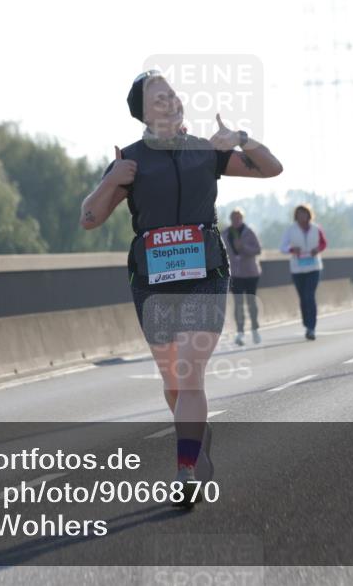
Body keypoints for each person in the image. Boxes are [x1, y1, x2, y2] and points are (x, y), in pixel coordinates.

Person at [79, 69, 282, 501]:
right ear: (143, 114)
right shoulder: (130, 160)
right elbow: (90, 219)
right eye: (159, 98)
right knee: (173, 382)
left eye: (172, 94)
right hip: (152, 281)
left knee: (189, 376)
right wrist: (112, 180)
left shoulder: (206, 152)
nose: (170, 101)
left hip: (206, 274)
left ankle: (185, 470)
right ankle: (197, 436)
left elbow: (271, 168)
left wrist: (241, 138)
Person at [280, 205, 327, 340]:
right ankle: (307, 324)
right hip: (297, 268)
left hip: (314, 267)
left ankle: (311, 327)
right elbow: (282, 247)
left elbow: (324, 243)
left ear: (309, 215)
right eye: (299, 214)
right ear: (296, 216)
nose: (302, 216)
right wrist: (292, 250)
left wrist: (317, 249)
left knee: (309, 295)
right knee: (303, 297)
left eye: (304, 214)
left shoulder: (316, 228)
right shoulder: (291, 230)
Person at [224, 208, 262, 346]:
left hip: (251, 273)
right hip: (235, 274)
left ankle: (255, 329)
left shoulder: (249, 232)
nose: (236, 220)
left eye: (238, 218)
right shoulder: (225, 233)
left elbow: (258, 249)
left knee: (251, 302)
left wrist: (244, 247)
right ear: (230, 219)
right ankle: (240, 332)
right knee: (238, 303)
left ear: (242, 219)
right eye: (233, 218)